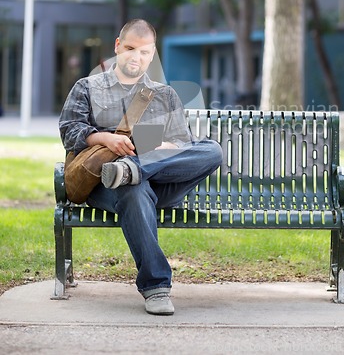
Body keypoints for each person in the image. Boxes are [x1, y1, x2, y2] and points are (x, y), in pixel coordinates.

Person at [59, 19, 223, 316]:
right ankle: (156, 287)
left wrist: (159, 152)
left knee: (211, 150)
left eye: (145, 52)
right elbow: (70, 130)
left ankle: (134, 168)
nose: (136, 57)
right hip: (105, 182)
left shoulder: (164, 95)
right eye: (131, 49)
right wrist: (105, 138)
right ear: (117, 46)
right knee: (132, 190)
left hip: (158, 177)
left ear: (153, 53)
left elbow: (181, 143)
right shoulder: (88, 87)